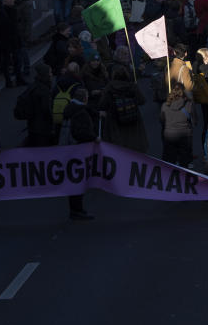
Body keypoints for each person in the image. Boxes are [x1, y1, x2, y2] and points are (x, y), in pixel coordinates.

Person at [61, 86, 97, 220]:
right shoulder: (81, 112)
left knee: (73, 180)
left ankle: (75, 209)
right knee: (79, 180)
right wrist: (94, 138)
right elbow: (80, 133)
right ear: (85, 98)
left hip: (69, 148)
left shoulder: (69, 109)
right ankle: (77, 210)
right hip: (79, 150)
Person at [99, 65, 147, 153]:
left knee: (118, 146)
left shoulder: (109, 87)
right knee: (133, 145)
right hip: (133, 119)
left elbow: (103, 104)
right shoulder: (132, 86)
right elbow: (142, 100)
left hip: (114, 120)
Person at [160, 81, 194, 167]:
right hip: (184, 136)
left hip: (169, 136)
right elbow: (194, 121)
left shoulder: (165, 105)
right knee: (184, 163)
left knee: (169, 161)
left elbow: (161, 121)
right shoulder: (188, 104)